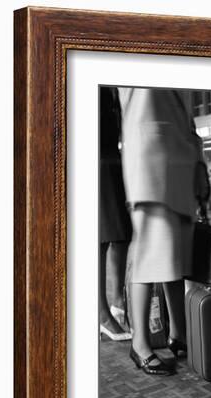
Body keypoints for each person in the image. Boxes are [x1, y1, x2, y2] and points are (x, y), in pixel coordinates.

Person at [119, 87, 209, 375]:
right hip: (149, 158)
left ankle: (179, 334)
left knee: (177, 257)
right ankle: (140, 343)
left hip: (181, 159)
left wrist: (199, 162)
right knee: (151, 252)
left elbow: (186, 114)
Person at [99, 86, 132, 341]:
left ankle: (118, 304)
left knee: (121, 234)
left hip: (115, 158)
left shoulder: (112, 89)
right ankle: (101, 314)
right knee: (100, 239)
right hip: (95, 159)